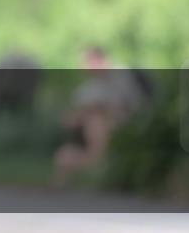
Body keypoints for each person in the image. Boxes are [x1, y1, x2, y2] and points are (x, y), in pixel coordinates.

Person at [52, 45, 147, 185]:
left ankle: (97, 160)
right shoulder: (87, 88)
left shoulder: (121, 75)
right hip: (90, 131)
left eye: (86, 61)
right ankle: (86, 165)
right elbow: (74, 116)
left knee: (96, 120)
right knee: (65, 154)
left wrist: (93, 110)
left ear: (100, 59)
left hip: (125, 125)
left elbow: (124, 105)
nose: (83, 66)